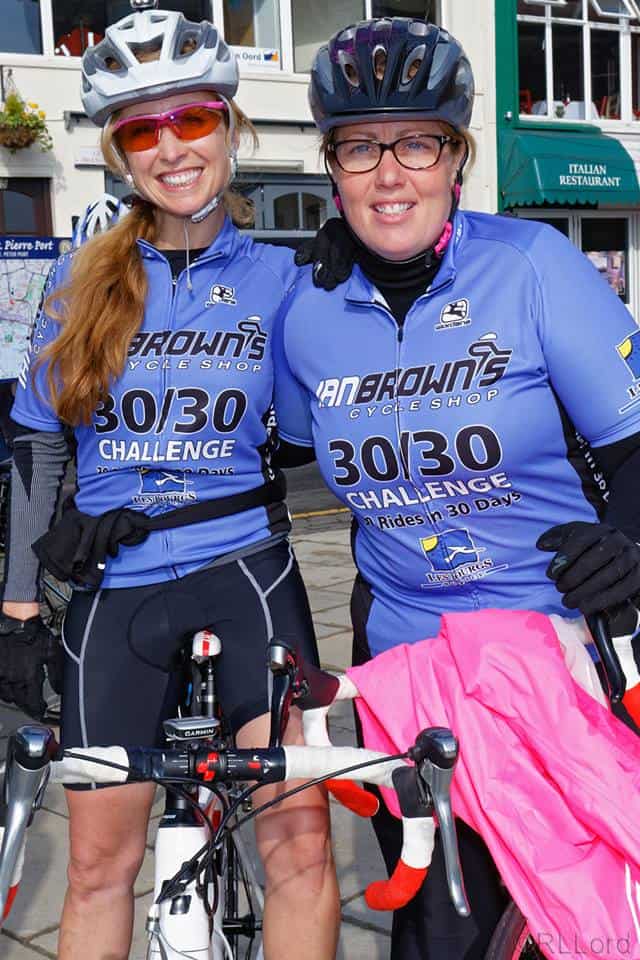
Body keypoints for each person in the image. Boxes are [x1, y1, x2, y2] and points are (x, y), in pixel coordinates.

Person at [274, 16, 640, 960]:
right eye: (360, 147)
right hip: (408, 669)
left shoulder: (534, 266)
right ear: (332, 167)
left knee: (590, 917)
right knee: (439, 929)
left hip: (556, 654)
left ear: (457, 157)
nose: (389, 173)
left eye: (417, 143)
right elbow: (269, 449)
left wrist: (631, 542)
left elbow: (636, 445)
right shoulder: (306, 307)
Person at [0, 7, 341, 960]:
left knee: (301, 850)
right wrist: (18, 610)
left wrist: (353, 296)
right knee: (97, 870)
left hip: (249, 579)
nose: (172, 148)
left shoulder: (286, 276)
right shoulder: (81, 280)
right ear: (119, 153)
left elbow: (330, 427)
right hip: (114, 592)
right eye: (143, 130)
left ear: (229, 129)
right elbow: (38, 443)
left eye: (191, 119)